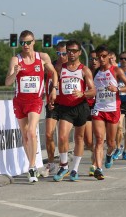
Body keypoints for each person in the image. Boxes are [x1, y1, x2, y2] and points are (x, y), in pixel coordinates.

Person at [5, 30, 58, 183]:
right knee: (25, 135)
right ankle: (32, 165)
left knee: (31, 132)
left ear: (34, 42)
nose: (25, 45)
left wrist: (53, 88)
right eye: (22, 43)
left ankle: (32, 166)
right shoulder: (16, 59)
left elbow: (54, 73)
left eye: (28, 42)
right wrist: (15, 73)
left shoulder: (42, 57)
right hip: (20, 101)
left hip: (35, 100)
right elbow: (8, 83)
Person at [53, 40, 96, 182]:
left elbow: (93, 91)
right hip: (65, 108)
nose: (70, 53)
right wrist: (53, 93)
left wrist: (83, 93)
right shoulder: (60, 67)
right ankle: (64, 165)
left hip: (81, 107)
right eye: (68, 51)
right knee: (62, 136)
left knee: (79, 138)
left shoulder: (84, 70)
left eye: (73, 51)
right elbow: (53, 82)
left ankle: (75, 169)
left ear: (78, 53)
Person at [92, 45, 126, 180]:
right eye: (99, 56)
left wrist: (117, 89)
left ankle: (109, 155)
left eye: (104, 56)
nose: (101, 59)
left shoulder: (116, 70)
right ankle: (98, 168)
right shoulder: (95, 72)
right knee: (98, 140)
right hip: (99, 108)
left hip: (113, 109)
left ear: (109, 56)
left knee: (111, 143)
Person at [40, 41, 68, 177]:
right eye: (58, 53)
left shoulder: (73, 67)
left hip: (68, 104)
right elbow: (46, 83)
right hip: (53, 103)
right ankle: (51, 164)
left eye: (64, 53)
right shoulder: (51, 67)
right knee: (48, 134)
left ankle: (65, 162)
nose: (61, 56)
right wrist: (47, 97)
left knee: (64, 136)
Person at [85, 50, 100, 177]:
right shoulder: (84, 71)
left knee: (98, 137)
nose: (94, 61)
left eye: (96, 59)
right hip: (86, 106)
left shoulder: (103, 73)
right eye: (91, 58)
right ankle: (93, 152)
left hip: (100, 107)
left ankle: (94, 165)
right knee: (89, 141)